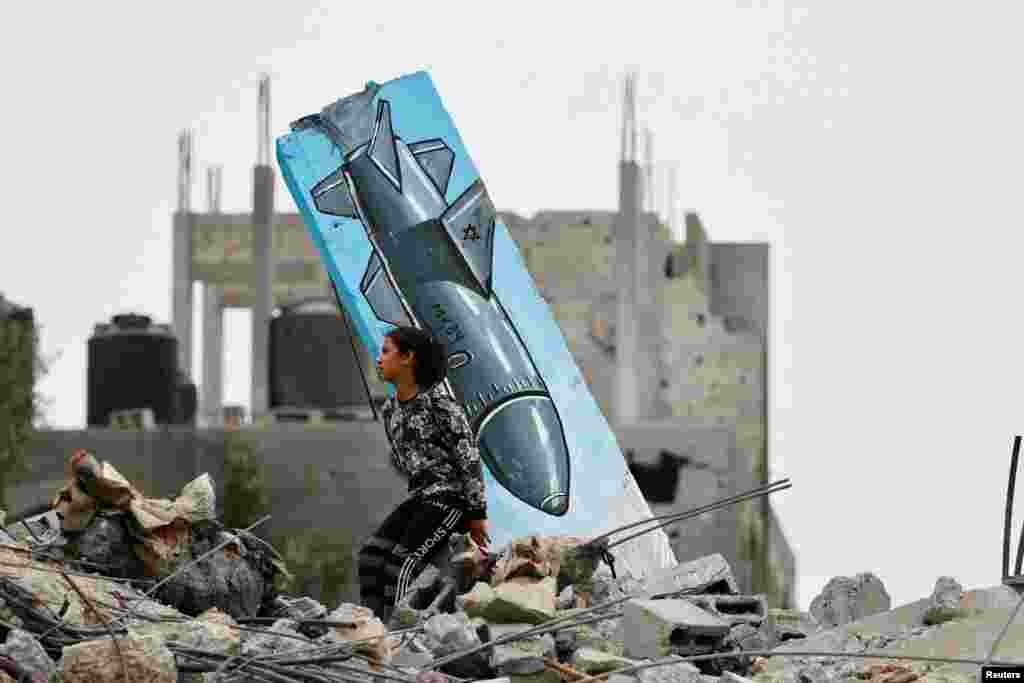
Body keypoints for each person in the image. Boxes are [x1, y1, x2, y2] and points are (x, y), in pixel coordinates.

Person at [358, 325, 489, 622]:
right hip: (420, 496)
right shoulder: (391, 410)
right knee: (370, 557)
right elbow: (404, 460)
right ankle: (371, 625)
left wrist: (476, 513)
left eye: (386, 351)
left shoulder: (440, 405)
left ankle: (399, 633)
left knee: (401, 565)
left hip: (450, 499)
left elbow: (468, 460)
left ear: (408, 358)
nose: (379, 359)